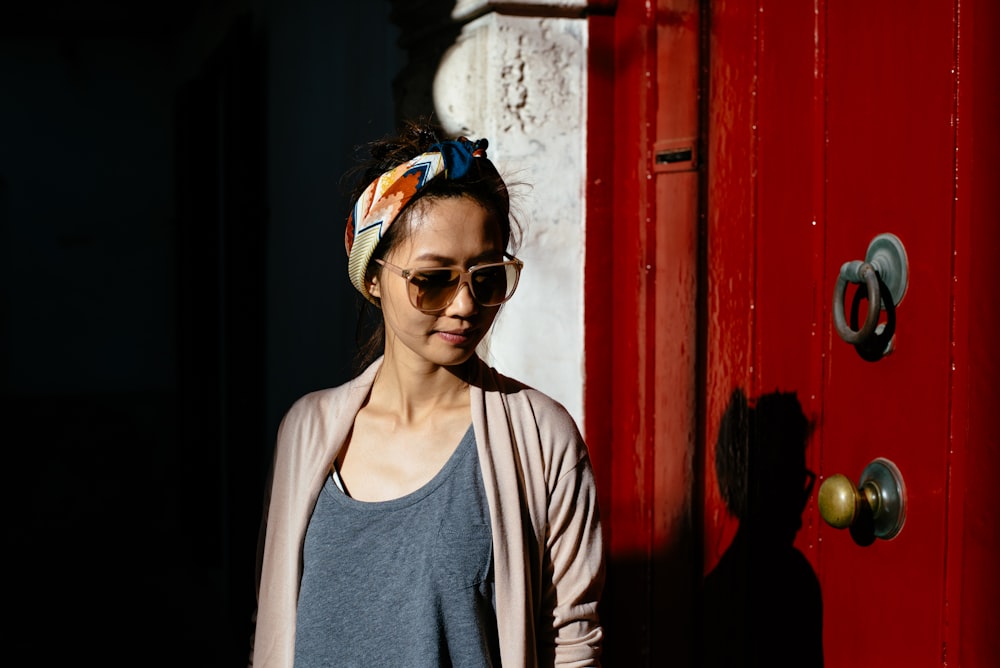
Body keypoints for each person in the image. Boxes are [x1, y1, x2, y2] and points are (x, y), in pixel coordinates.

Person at [249, 120, 605, 667]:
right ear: (373, 276)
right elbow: (273, 619)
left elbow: (574, 641)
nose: (465, 305)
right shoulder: (306, 430)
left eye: (487, 278)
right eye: (433, 279)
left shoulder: (540, 437)